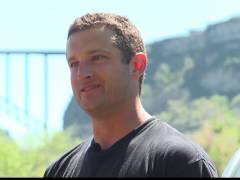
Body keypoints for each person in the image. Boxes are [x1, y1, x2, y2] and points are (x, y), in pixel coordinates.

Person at [44, 12, 219, 177]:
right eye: (73, 63)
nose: (82, 73)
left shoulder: (179, 162)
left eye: (97, 58)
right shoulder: (59, 170)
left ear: (137, 65)